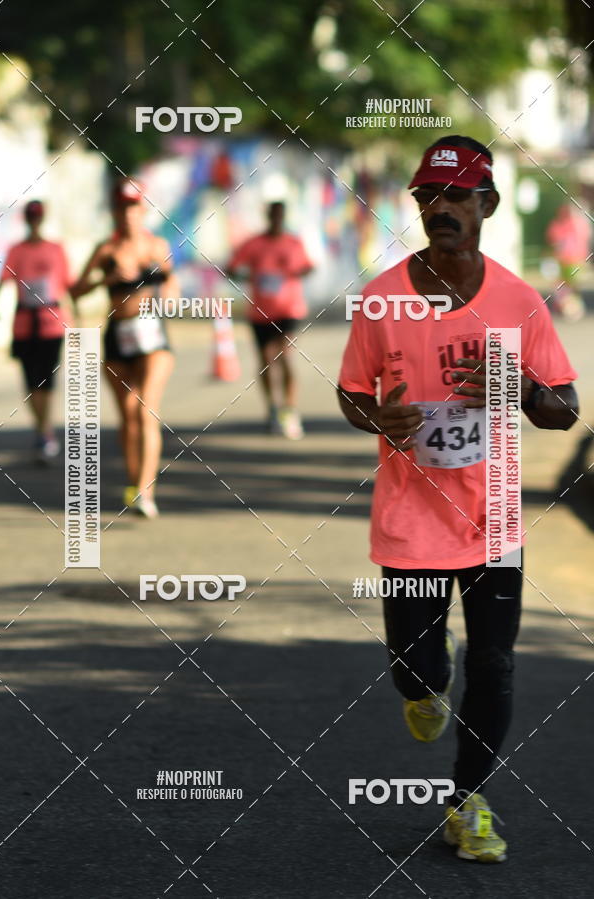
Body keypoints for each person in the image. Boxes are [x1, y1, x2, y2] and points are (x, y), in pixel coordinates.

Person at [337, 136, 578, 862]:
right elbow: (351, 393)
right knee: (416, 672)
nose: (440, 209)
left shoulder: (518, 300)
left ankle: (466, 803)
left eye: (456, 198)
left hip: (494, 511)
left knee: (496, 664)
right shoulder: (381, 299)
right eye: (428, 198)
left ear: (487, 205)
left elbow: (564, 406)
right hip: (411, 516)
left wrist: (524, 389)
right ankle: (423, 678)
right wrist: (378, 416)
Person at [70, 177, 175, 518]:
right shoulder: (106, 251)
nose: (129, 214)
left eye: (134, 207)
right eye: (123, 207)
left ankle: (147, 491)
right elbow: (76, 291)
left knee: (146, 411)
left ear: (142, 209)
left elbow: (171, 281)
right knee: (128, 417)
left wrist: (169, 300)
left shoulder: (156, 247)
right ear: (116, 211)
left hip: (153, 336)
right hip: (118, 336)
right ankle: (136, 483)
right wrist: (105, 281)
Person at [226, 201, 314, 439]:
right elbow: (231, 267)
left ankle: (290, 409)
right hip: (260, 311)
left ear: (283, 217)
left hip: (289, 309)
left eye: (280, 215)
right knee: (266, 359)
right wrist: (250, 275)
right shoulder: (253, 244)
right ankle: (272, 408)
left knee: (285, 355)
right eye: (273, 215)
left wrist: (292, 272)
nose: (276, 219)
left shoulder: (293, 243)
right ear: (268, 216)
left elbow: (309, 267)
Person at [0, 200, 73, 463]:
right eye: (31, 218)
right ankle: (43, 430)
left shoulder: (55, 249)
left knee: (46, 381)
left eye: (37, 217)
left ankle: (45, 430)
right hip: (25, 325)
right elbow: (3, 282)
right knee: (30, 381)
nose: (34, 222)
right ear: (27, 220)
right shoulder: (17, 250)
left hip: (51, 324)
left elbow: (68, 284)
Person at [545, 203, 591, 321]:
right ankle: (566, 307)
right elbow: (553, 240)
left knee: (571, 285)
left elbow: (582, 240)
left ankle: (571, 307)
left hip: (575, 259)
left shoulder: (577, 224)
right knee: (562, 286)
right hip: (562, 260)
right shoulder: (557, 225)